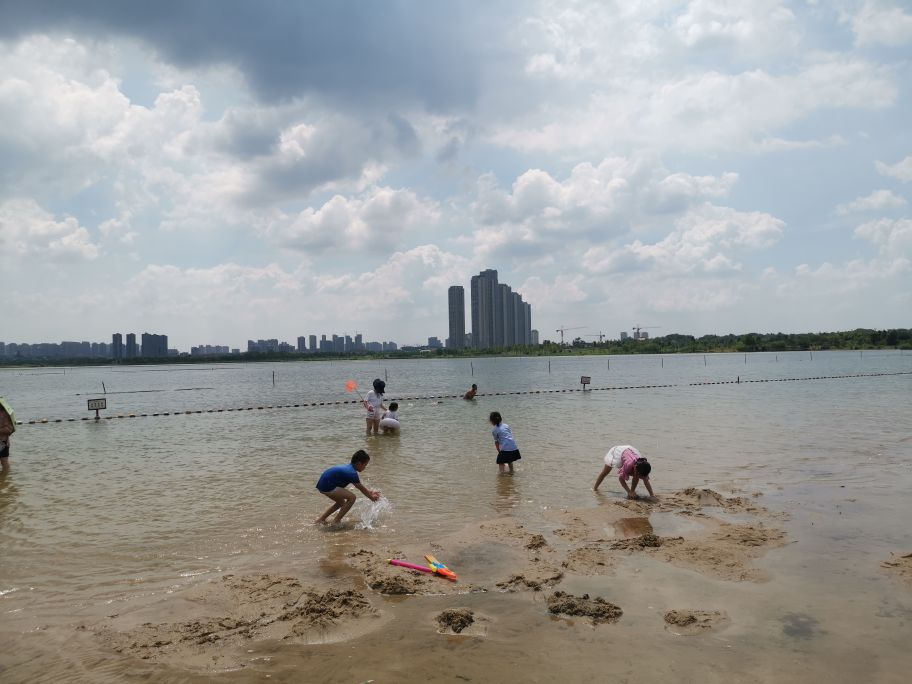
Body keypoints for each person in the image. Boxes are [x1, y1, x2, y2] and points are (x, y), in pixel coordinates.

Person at [314, 450, 381, 525]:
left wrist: (370, 492)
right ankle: (336, 521)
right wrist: (372, 498)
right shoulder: (352, 473)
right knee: (352, 497)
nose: (365, 467)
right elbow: (361, 488)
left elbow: (360, 486)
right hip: (327, 486)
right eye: (365, 465)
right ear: (359, 463)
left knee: (340, 502)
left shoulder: (349, 468)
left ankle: (321, 519)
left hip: (322, 485)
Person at [0, 397, 15, 474]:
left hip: (3, 443)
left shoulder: (4, 414)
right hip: (4, 442)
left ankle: (5, 479)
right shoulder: (6, 413)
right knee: (5, 463)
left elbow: (9, 429)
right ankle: (6, 479)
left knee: (5, 463)